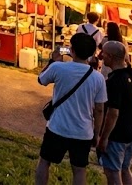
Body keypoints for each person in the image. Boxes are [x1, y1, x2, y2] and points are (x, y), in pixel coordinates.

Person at [35, 33, 107, 185]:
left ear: (71, 50)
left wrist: (52, 61)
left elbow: (41, 79)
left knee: (45, 161)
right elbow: (99, 109)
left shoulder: (58, 67)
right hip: (83, 132)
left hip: (57, 127)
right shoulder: (98, 78)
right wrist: (96, 134)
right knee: (79, 170)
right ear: (92, 53)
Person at [97, 41, 132, 185]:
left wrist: (103, 138)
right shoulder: (131, 74)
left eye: (103, 53)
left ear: (109, 56)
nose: (101, 56)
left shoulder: (114, 81)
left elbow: (113, 113)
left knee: (112, 172)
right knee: (124, 168)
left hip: (118, 135)